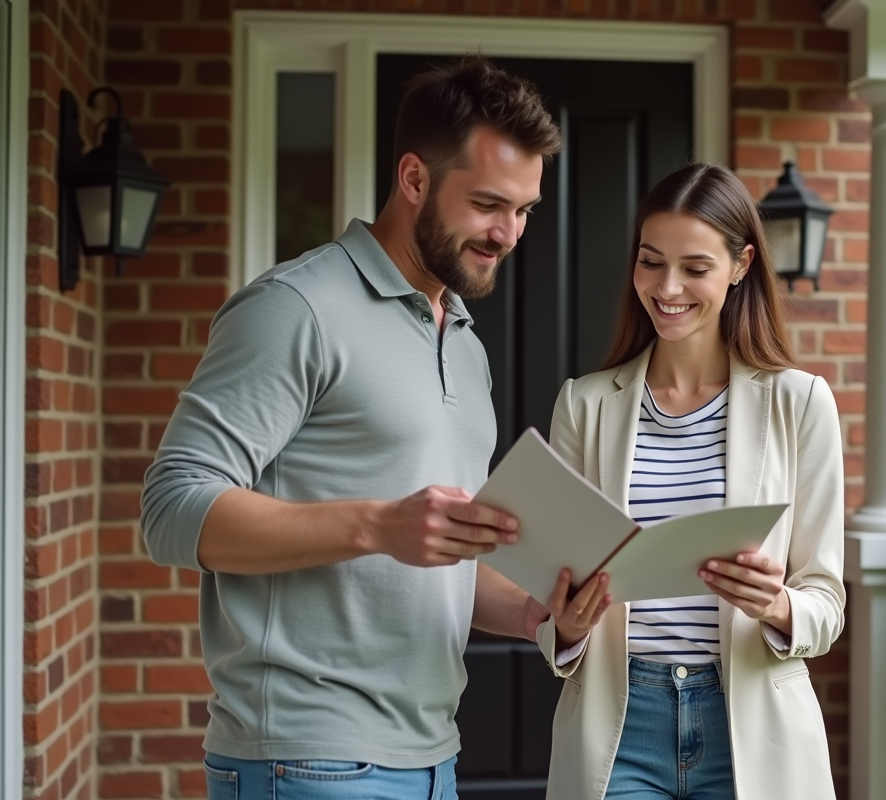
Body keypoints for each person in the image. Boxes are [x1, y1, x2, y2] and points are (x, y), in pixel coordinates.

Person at [141, 57, 565, 800]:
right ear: (413, 180)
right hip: (306, 760)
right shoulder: (295, 308)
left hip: (432, 759)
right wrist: (376, 524)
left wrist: (536, 612)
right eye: (489, 204)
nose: (509, 233)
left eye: (525, 209)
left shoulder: (464, 342)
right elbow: (171, 510)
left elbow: (442, 566)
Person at [535, 163, 846, 800]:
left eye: (695, 268)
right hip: (618, 726)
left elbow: (826, 600)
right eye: (651, 262)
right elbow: (551, 599)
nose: (667, 286)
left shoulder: (800, 402)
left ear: (740, 266)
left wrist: (778, 605)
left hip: (752, 728)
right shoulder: (585, 405)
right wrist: (565, 626)